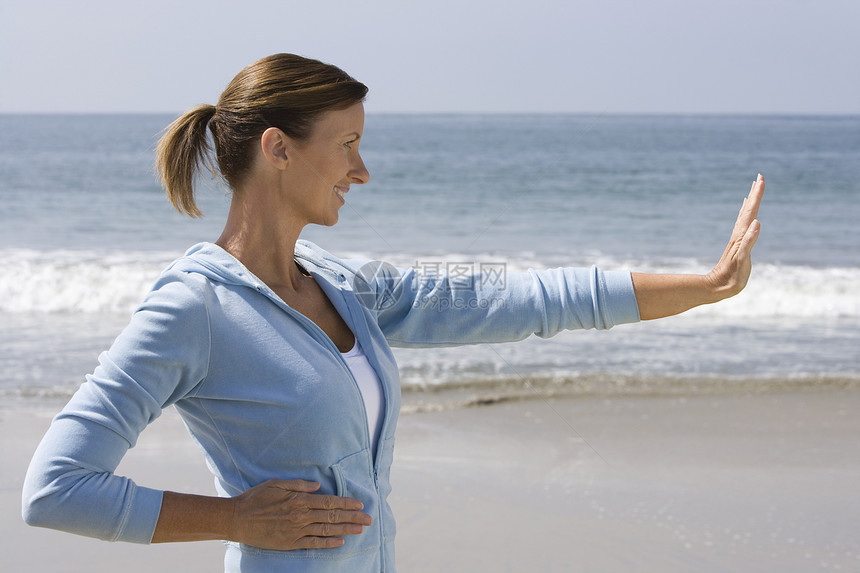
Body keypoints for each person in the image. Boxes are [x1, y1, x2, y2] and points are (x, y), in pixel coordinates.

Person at [22, 53, 764, 572]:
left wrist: (702, 286)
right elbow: (55, 489)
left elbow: (509, 298)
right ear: (277, 148)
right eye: (346, 144)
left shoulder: (341, 284)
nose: (361, 169)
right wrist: (233, 518)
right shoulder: (194, 307)